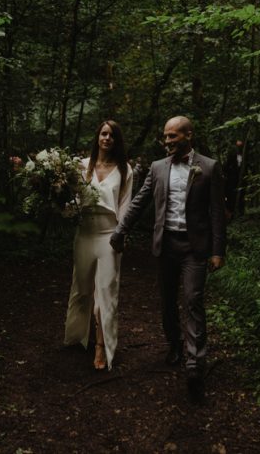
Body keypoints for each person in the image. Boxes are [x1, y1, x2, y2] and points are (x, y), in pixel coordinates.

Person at [109, 116, 226, 401]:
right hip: (166, 245)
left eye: (173, 136)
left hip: (194, 248)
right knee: (166, 302)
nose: (167, 141)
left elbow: (217, 213)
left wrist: (217, 251)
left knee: (193, 301)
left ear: (189, 135)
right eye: (165, 136)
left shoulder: (209, 167)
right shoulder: (158, 168)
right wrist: (121, 230)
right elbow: (140, 200)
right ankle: (174, 343)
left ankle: (194, 367)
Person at [63, 120, 133, 371]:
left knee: (105, 291)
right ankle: (76, 335)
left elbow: (125, 205)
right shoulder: (81, 166)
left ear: (117, 140)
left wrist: (121, 234)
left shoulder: (125, 169)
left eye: (112, 135)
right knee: (81, 288)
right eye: (104, 133)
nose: (107, 138)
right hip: (84, 233)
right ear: (97, 137)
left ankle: (102, 346)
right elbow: (70, 199)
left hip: (109, 235)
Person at [223, 139, 246, 217]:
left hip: (240, 179)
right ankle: (231, 213)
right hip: (231, 179)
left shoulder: (244, 155)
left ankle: (240, 212)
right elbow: (226, 166)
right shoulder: (232, 153)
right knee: (231, 196)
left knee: (240, 196)